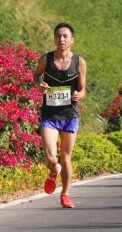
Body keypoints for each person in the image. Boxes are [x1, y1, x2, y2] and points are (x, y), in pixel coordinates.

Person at [33, 23, 87, 208]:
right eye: (58, 36)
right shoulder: (46, 59)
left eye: (65, 36)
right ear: (54, 38)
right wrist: (40, 84)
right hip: (50, 115)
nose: (61, 39)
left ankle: (65, 194)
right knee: (50, 156)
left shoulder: (79, 62)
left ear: (72, 39)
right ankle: (53, 171)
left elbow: (82, 88)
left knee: (66, 158)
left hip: (70, 115)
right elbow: (36, 75)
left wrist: (80, 94)